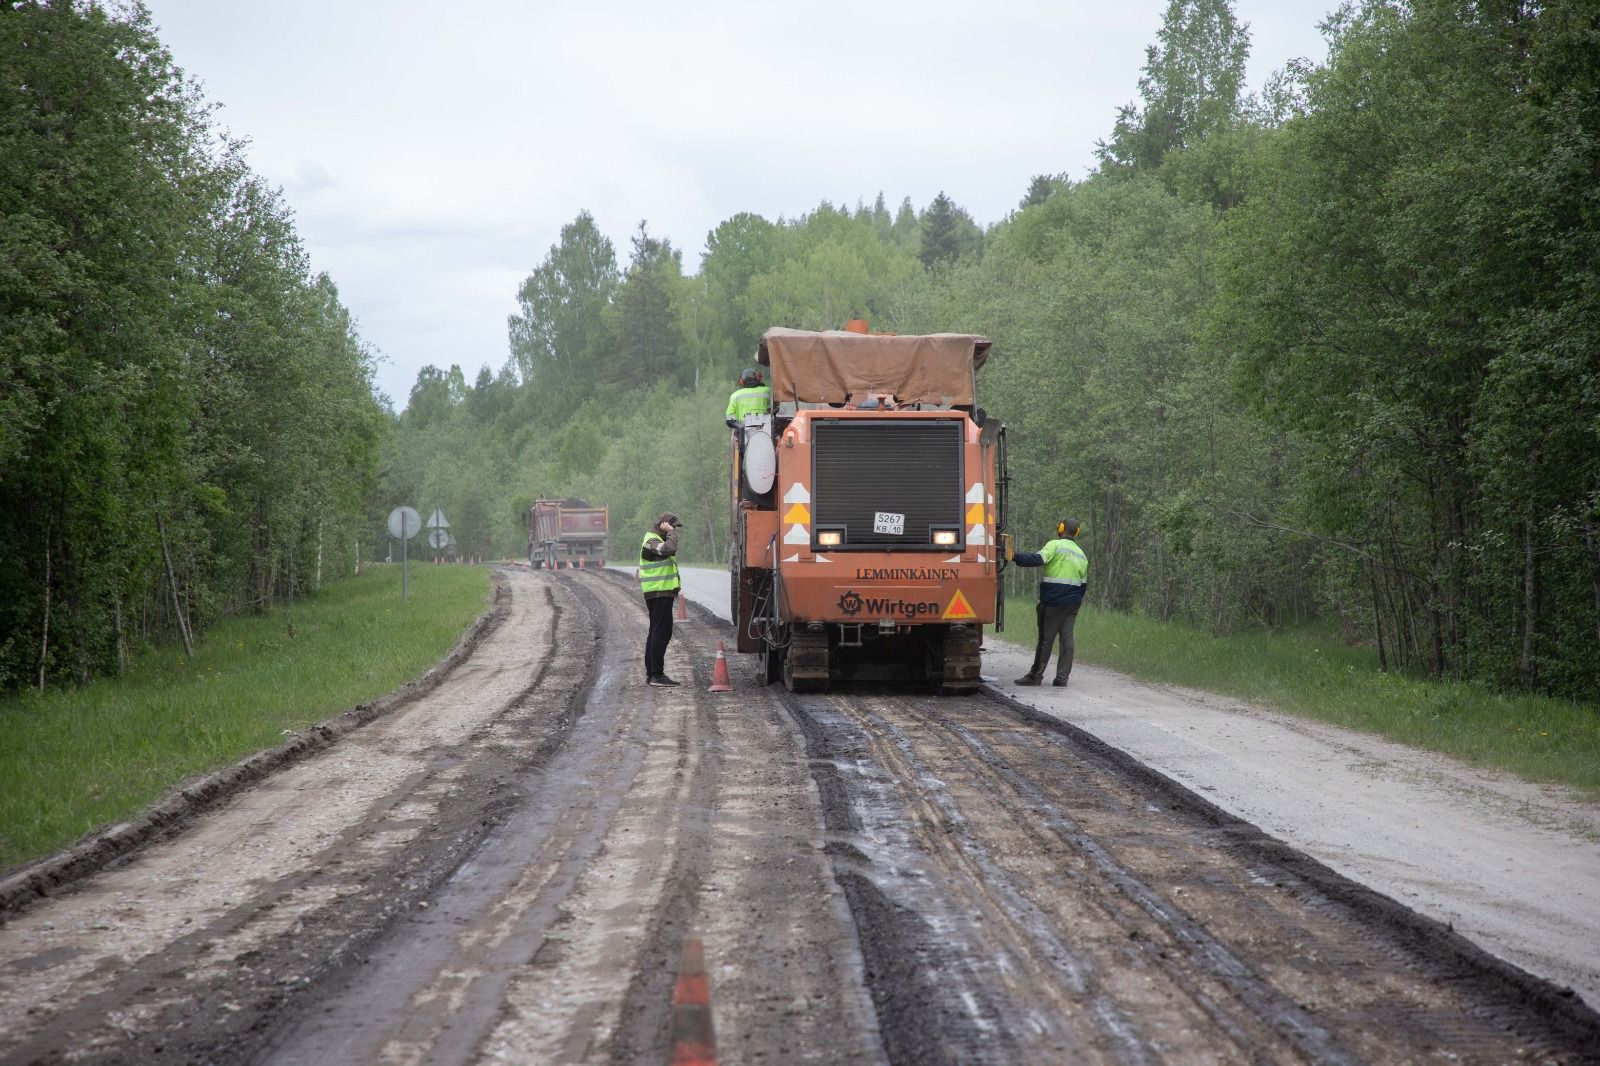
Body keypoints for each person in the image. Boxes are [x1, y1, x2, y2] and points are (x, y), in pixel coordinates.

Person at [1010, 517, 1089, 687]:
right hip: (1073, 602)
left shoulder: (1055, 545)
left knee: (1046, 639)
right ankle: (1062, 678)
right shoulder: (1081, 554)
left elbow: (1037, 560)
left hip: (1054, 601)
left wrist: (1013, 556)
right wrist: (1074, 599)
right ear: (1076, 532)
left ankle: (1035, 676)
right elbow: (1083, 585)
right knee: (1067, 639)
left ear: (1060, 529)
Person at [639, 512, 684, 687]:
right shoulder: (651, 541)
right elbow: (669, 549)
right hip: (658, 593)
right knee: (661, 633)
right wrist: (672, 533)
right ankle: (656, 674)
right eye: (672, 527)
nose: (674, 530)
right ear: (664, 525)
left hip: (661, 592)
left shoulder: (655, 539)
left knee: (656, 631)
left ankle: (652, 673)